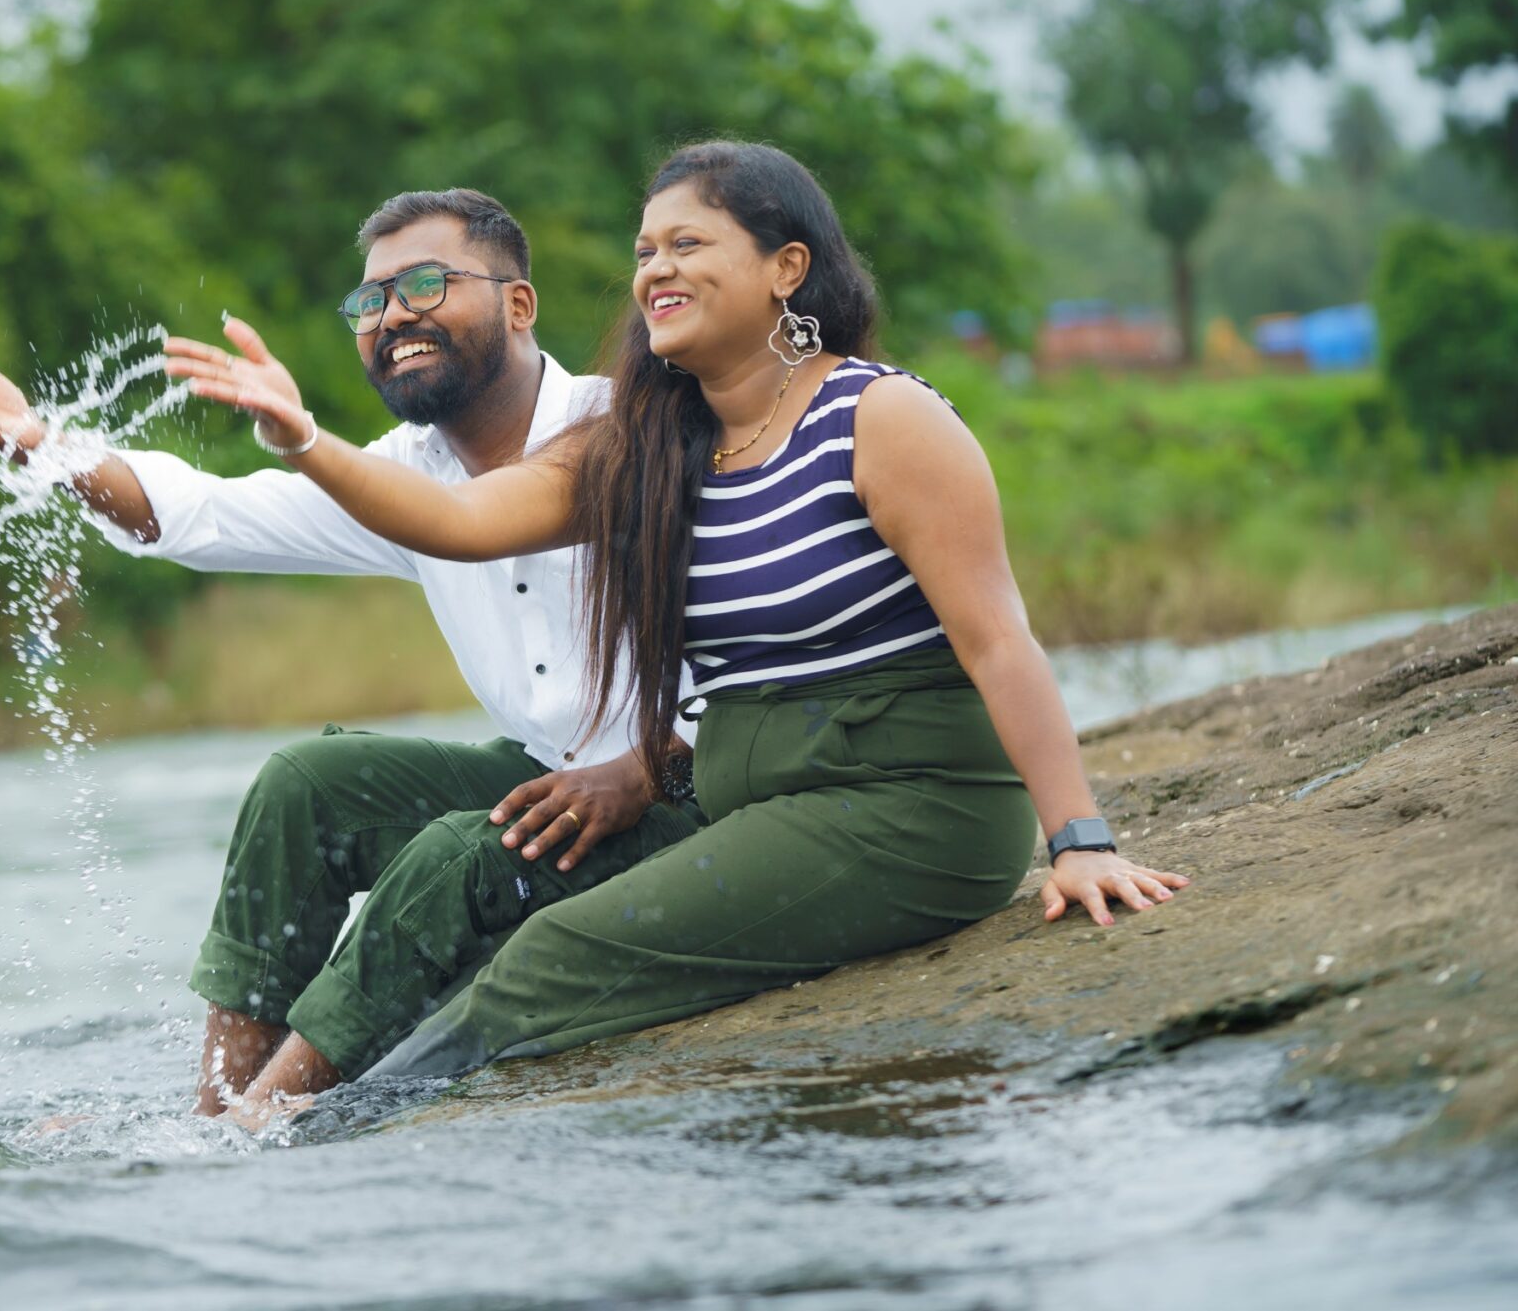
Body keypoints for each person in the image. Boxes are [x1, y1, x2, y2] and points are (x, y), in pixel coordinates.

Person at [165, 140, 1191, 1124]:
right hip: (758, 800)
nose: (655, 267)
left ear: (786, 266)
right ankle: (260, 1114)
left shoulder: (880, 418)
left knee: (544, 959)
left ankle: (297, 1131)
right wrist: (302, 438)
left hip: (903, 809)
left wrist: (1079, 841)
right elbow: (457, 520)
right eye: (645, 249)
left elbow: (999, 641)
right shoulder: (652, 443)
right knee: (483, 883)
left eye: (688, 244)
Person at [0, 189, 698, 1115]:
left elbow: (772, 639)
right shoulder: (402, 474)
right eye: (371, 301)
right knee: (306, 784)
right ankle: (217, 1103)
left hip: (682, 787)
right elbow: (202, 513)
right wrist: (39, 444)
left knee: (452, 852)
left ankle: (257, 1124)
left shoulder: (638, 427)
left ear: (519, 304)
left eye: (427, 284)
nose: (394, 315)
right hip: (546, 787)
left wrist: (646, 762)